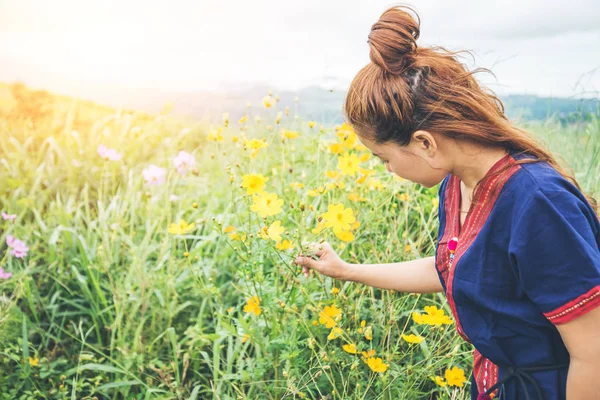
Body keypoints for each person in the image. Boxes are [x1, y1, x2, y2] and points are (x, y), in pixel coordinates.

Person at [293, 5, 600, 400]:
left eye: (385, 158)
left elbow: (592, 351)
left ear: (424, 142)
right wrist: (347, 270)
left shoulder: (538, 203)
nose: (388, 170)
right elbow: (452, 268)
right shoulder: (457, 184)